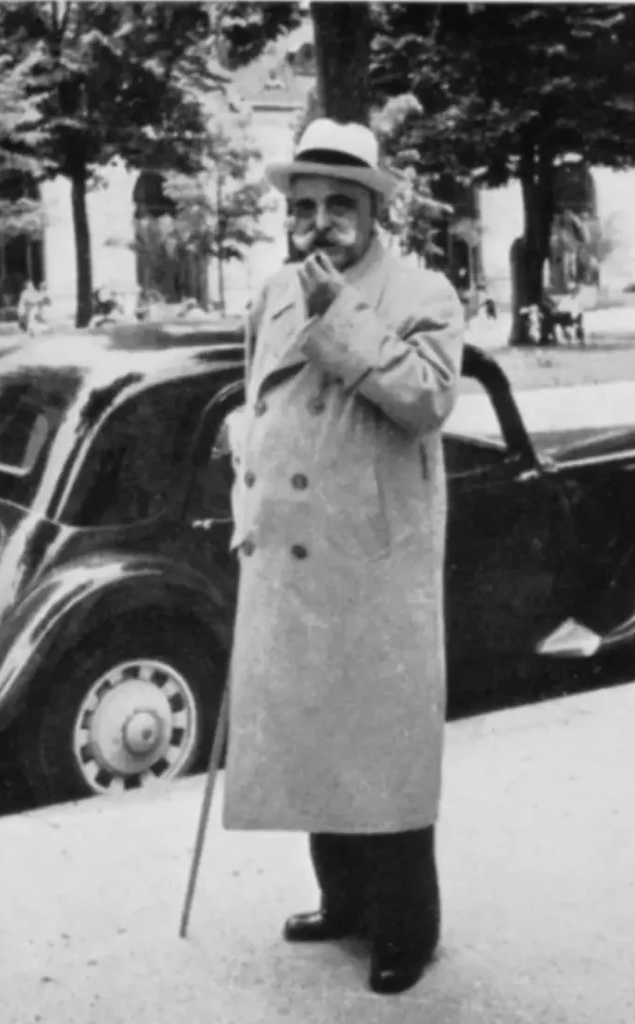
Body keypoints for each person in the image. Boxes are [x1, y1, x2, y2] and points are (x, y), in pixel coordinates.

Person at [222, 117, 465, 996]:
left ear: (372, 210)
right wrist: (246, 479)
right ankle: (343, 901)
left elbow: (426, 399)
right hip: (288, 556)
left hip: (372, 559)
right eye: (303, 207)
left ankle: (406, 927)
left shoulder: (423, 291)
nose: (317, 224)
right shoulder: (270, 293)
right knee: (310, 738)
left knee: (381, 750)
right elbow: (256, 398)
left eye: (337, 206)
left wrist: (340, 314)